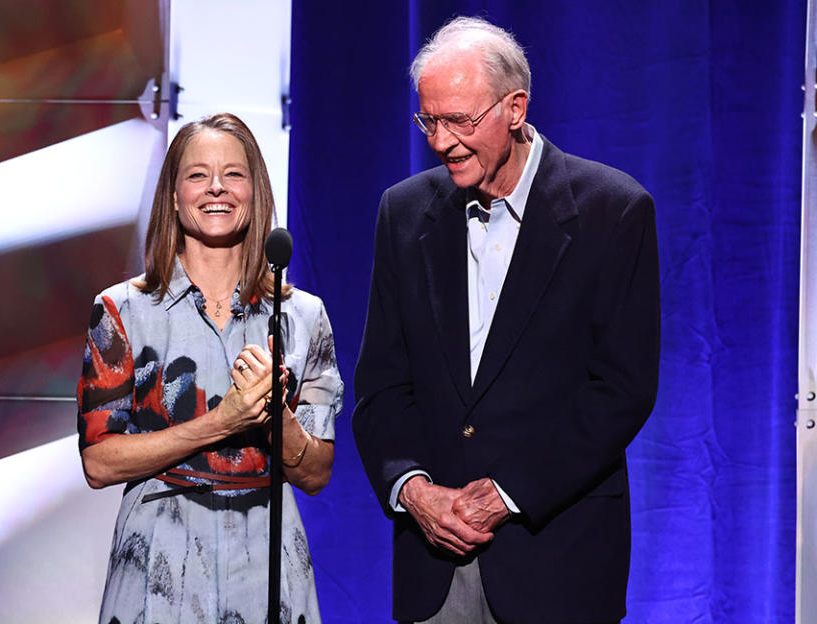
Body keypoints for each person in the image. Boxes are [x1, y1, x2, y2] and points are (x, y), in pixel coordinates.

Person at [353, 16, 660, 624]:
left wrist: (505, 493)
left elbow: (622, 391)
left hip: (557, 563)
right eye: (429, 120)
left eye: (460, 121)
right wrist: (412, 489)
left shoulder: (614, 211)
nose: (442, 141)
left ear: (515, 108)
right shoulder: (404, 212)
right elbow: (383, 387)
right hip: (434, 565)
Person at [76, 112, 343, 624]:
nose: (216, 187)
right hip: (158, 565)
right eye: (197, 174)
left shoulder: (304, 317)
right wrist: (223, 421)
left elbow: (316, 473)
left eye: (234, 174)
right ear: (173, 196)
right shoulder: (121, 311)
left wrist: (273, 417)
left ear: (256, 191)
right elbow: (99, 463)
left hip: (268, 566)